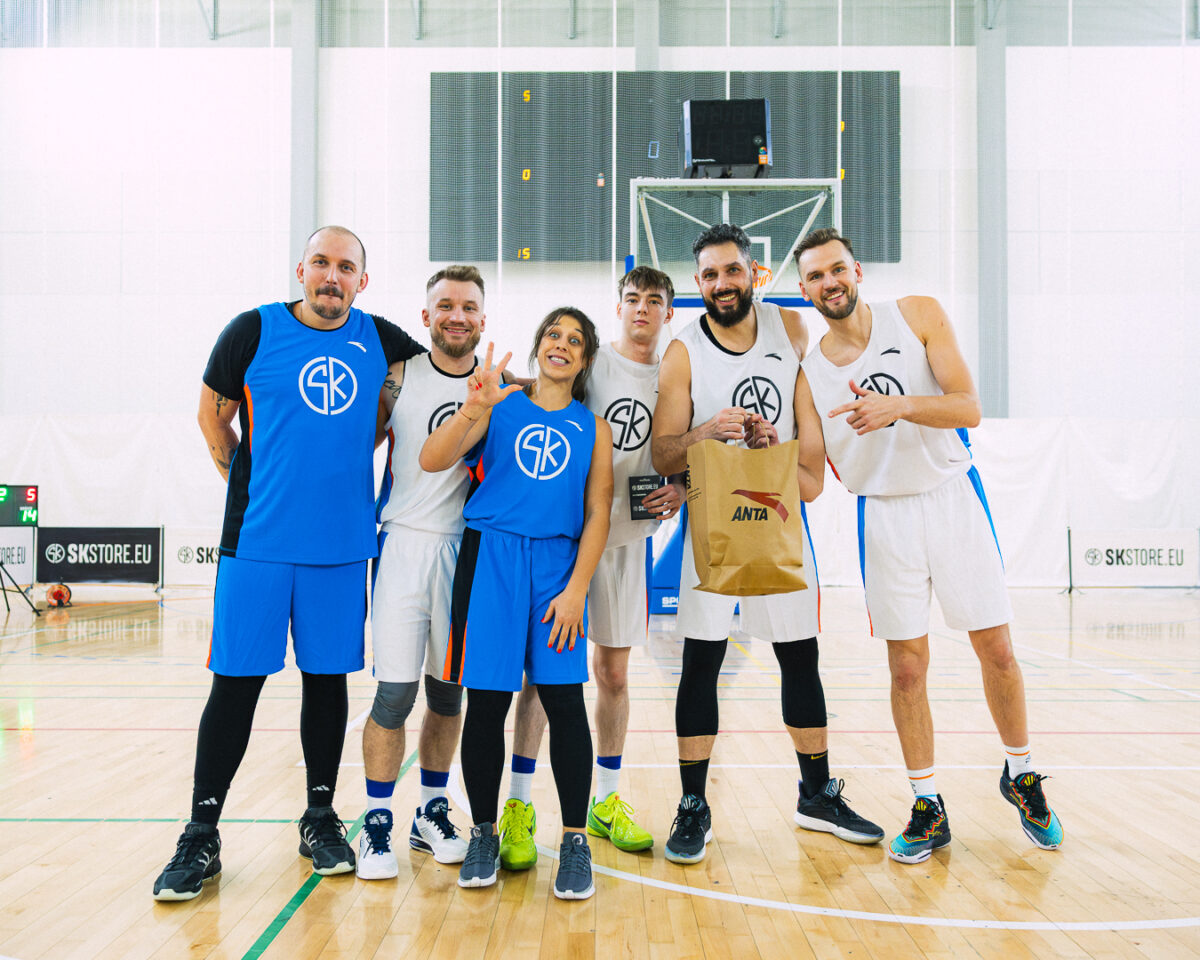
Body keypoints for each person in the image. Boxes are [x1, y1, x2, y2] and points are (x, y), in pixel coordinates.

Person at [152, 226, 426, 901]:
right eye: (321, 264)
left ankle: (320, 818)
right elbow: (212, 421)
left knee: (327, 684)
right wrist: (256, 487)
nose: (332, 277)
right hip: (258, 546)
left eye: (347, 268)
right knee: (236, 685)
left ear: (363, 280)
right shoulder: (251, 332)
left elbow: (455, 374)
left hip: (339, 551)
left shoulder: (384, 342)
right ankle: (201, 833)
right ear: (300, 270)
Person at [794, 227, 1063, 863]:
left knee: (995, 648)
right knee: (907, 668)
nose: (828, 283)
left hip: (952, 497)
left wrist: (899, 407)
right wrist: (749, 455)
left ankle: (1021, 774)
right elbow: (808, 479)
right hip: (883, 517)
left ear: (856, 271)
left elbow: (968, 406)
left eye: (836, 269)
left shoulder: (916, 314)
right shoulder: (808, 375)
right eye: (813, 276)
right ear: (803, 290)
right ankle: (927, 803)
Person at [651, 223, 883, 865]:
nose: (722, 284)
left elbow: (809, 438)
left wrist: (769, 444)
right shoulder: (681, 351)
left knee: (798, 657)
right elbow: (662, 449)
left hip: (779, 518)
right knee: (702, 660)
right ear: (699, 286)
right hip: (710, 525)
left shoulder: (793, 329)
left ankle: (815, 792)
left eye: (732, 271)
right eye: (709, 276)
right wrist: (705, 432)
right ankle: (693, 803)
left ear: (754, 275)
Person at [420, 309, 614, 900]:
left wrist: (578, 587)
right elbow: (432, 458)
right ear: (537, 348)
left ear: (584, 362)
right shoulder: (499, 404)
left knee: (564, 702)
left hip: (557, 568)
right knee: (486, 703)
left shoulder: (593, 427)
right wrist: (474, 406)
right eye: (553, 334)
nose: (561, 345)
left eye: (574, 341)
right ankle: (484, 831)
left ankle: (576, 841)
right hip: (492, 560)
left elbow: (599, 510)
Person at [503, 267, 684, 867]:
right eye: (632, 298)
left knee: (612, 675)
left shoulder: (673, 375)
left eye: (653, 301)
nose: (641, 309)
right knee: (541, 677)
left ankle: (605, 800)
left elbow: (682, 451)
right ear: (618, 305)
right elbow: (535, 389)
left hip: (629, 541)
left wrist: (682, 486)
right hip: (563, 541)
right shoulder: (591, 358)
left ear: (667, 314)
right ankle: (520, 805)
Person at [356, 265, 492, 880]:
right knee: (395, 692)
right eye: (445, 306)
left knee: (447, 693)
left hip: (464, 553)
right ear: (426, 316)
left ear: (482, 320)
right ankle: (377, 819)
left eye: (467, 306)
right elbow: (348, 444)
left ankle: (431, 807)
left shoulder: (499, 386)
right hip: (402, 546)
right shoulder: (396, 378)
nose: (456, 315)